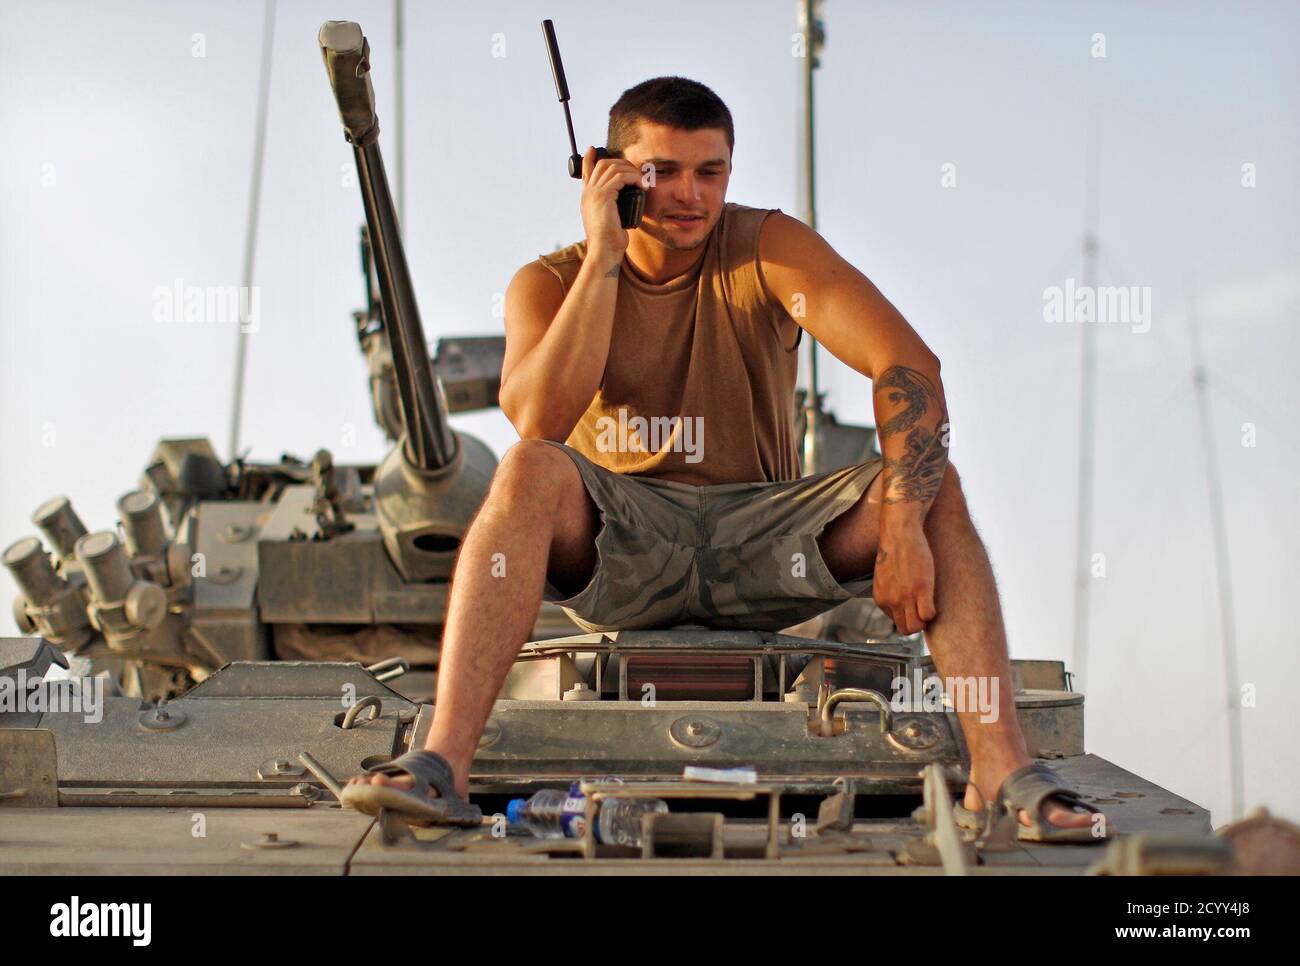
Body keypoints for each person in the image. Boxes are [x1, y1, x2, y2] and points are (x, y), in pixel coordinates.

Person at [343, 76, 1104, 843]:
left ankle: (1002, 771)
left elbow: (907, 365)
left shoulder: (765, 247)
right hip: (620, 549)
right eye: (660, 172)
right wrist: (607, 253)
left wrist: (903, 529)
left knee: (930, 488)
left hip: (764, 540)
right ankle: (442, 764)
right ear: (606, 173)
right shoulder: (549, 283)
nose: (689, 195)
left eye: (710, 172)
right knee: (529, 470)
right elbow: (541, 419)